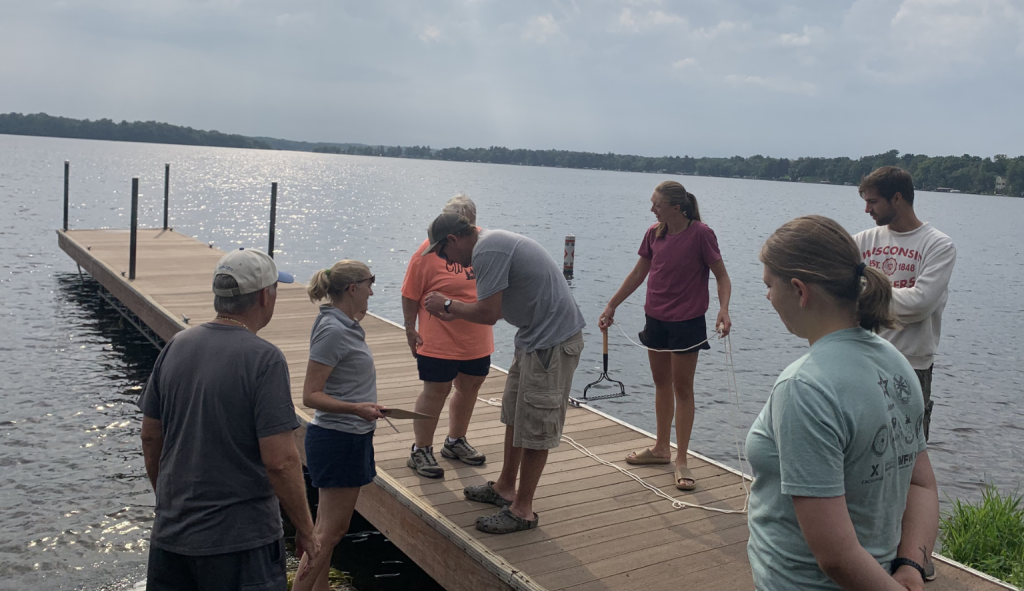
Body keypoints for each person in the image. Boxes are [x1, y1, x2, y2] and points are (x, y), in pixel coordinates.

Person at [746, 215, 939, 591]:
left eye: (769, 285)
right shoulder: (896, 362)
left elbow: (836, 554)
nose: (767, 296)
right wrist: (911, 565)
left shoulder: (804, 387)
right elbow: (922, 486)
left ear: (800, 290)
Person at [139, 248, 321, 591]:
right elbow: (281, 461)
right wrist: (307, 531)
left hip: (172, 537)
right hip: (241, 544)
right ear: (266, 296)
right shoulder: (264, 360)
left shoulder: (176, 345)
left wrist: (168, 502)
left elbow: (150, 436)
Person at [421, 213, 585, 534]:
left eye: (441, 252)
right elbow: (489, 306)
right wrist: (455, 311)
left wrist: (448, 304)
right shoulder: (489, 245)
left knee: (537, 424)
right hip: (532, 338)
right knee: (514, 414)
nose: (443, 260)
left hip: (552, 343)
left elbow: (488, 313)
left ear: (453, 240)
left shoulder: (487, 250)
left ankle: (522, 510)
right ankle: (506, 487)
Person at [598, 180, 732, 491]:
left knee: (683, 388)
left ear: (676, 206)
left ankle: (681, 459)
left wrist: (723, 310)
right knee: (661, 383)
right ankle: (661, 448)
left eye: (657, 204)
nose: (652, 208)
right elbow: (638, 273)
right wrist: (611, 305)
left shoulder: (701, 234)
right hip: (655, 317)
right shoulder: (653, 233)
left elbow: (722, 276)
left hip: (687, 322)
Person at [292, 260, 386, 591]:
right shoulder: (333, 330)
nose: (372, 291)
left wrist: (364, 405)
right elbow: (310, 395)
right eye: (369, 283)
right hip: (338, 438)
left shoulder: (343, 325)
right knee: (329, 532)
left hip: (349, 437)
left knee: (326, 529)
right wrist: (355, 408)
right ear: (352, 288)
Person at [853, 166, 956, 442]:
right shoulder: (863, 241)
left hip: (911, 364)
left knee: (908, 448)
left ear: (896, 198)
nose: (867, 210)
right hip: (864, 358)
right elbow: (836, 286)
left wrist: (862, 292)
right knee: (862, 442)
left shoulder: (938, 245)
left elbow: (919, 304)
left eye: (873, 202)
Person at [401, 194, 494, 478]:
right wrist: (409, 327)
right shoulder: (427, 253)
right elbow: (409, 292)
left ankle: (455, 441)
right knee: (436, 390)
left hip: (477, 336)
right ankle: (421, 449)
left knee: (470, 387)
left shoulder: (485, 247)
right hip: (438, 337)